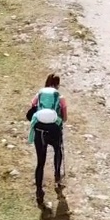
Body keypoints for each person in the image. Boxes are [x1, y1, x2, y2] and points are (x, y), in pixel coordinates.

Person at [25, 74, 67, 207]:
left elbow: (32, 107)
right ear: (57, 85)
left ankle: (39, 191)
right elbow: (64, 118)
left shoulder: (39, 95)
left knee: (40, 162)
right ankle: (57, 176)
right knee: (58, 151)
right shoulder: (60, 98)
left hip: (39, 131)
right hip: (54, 130)